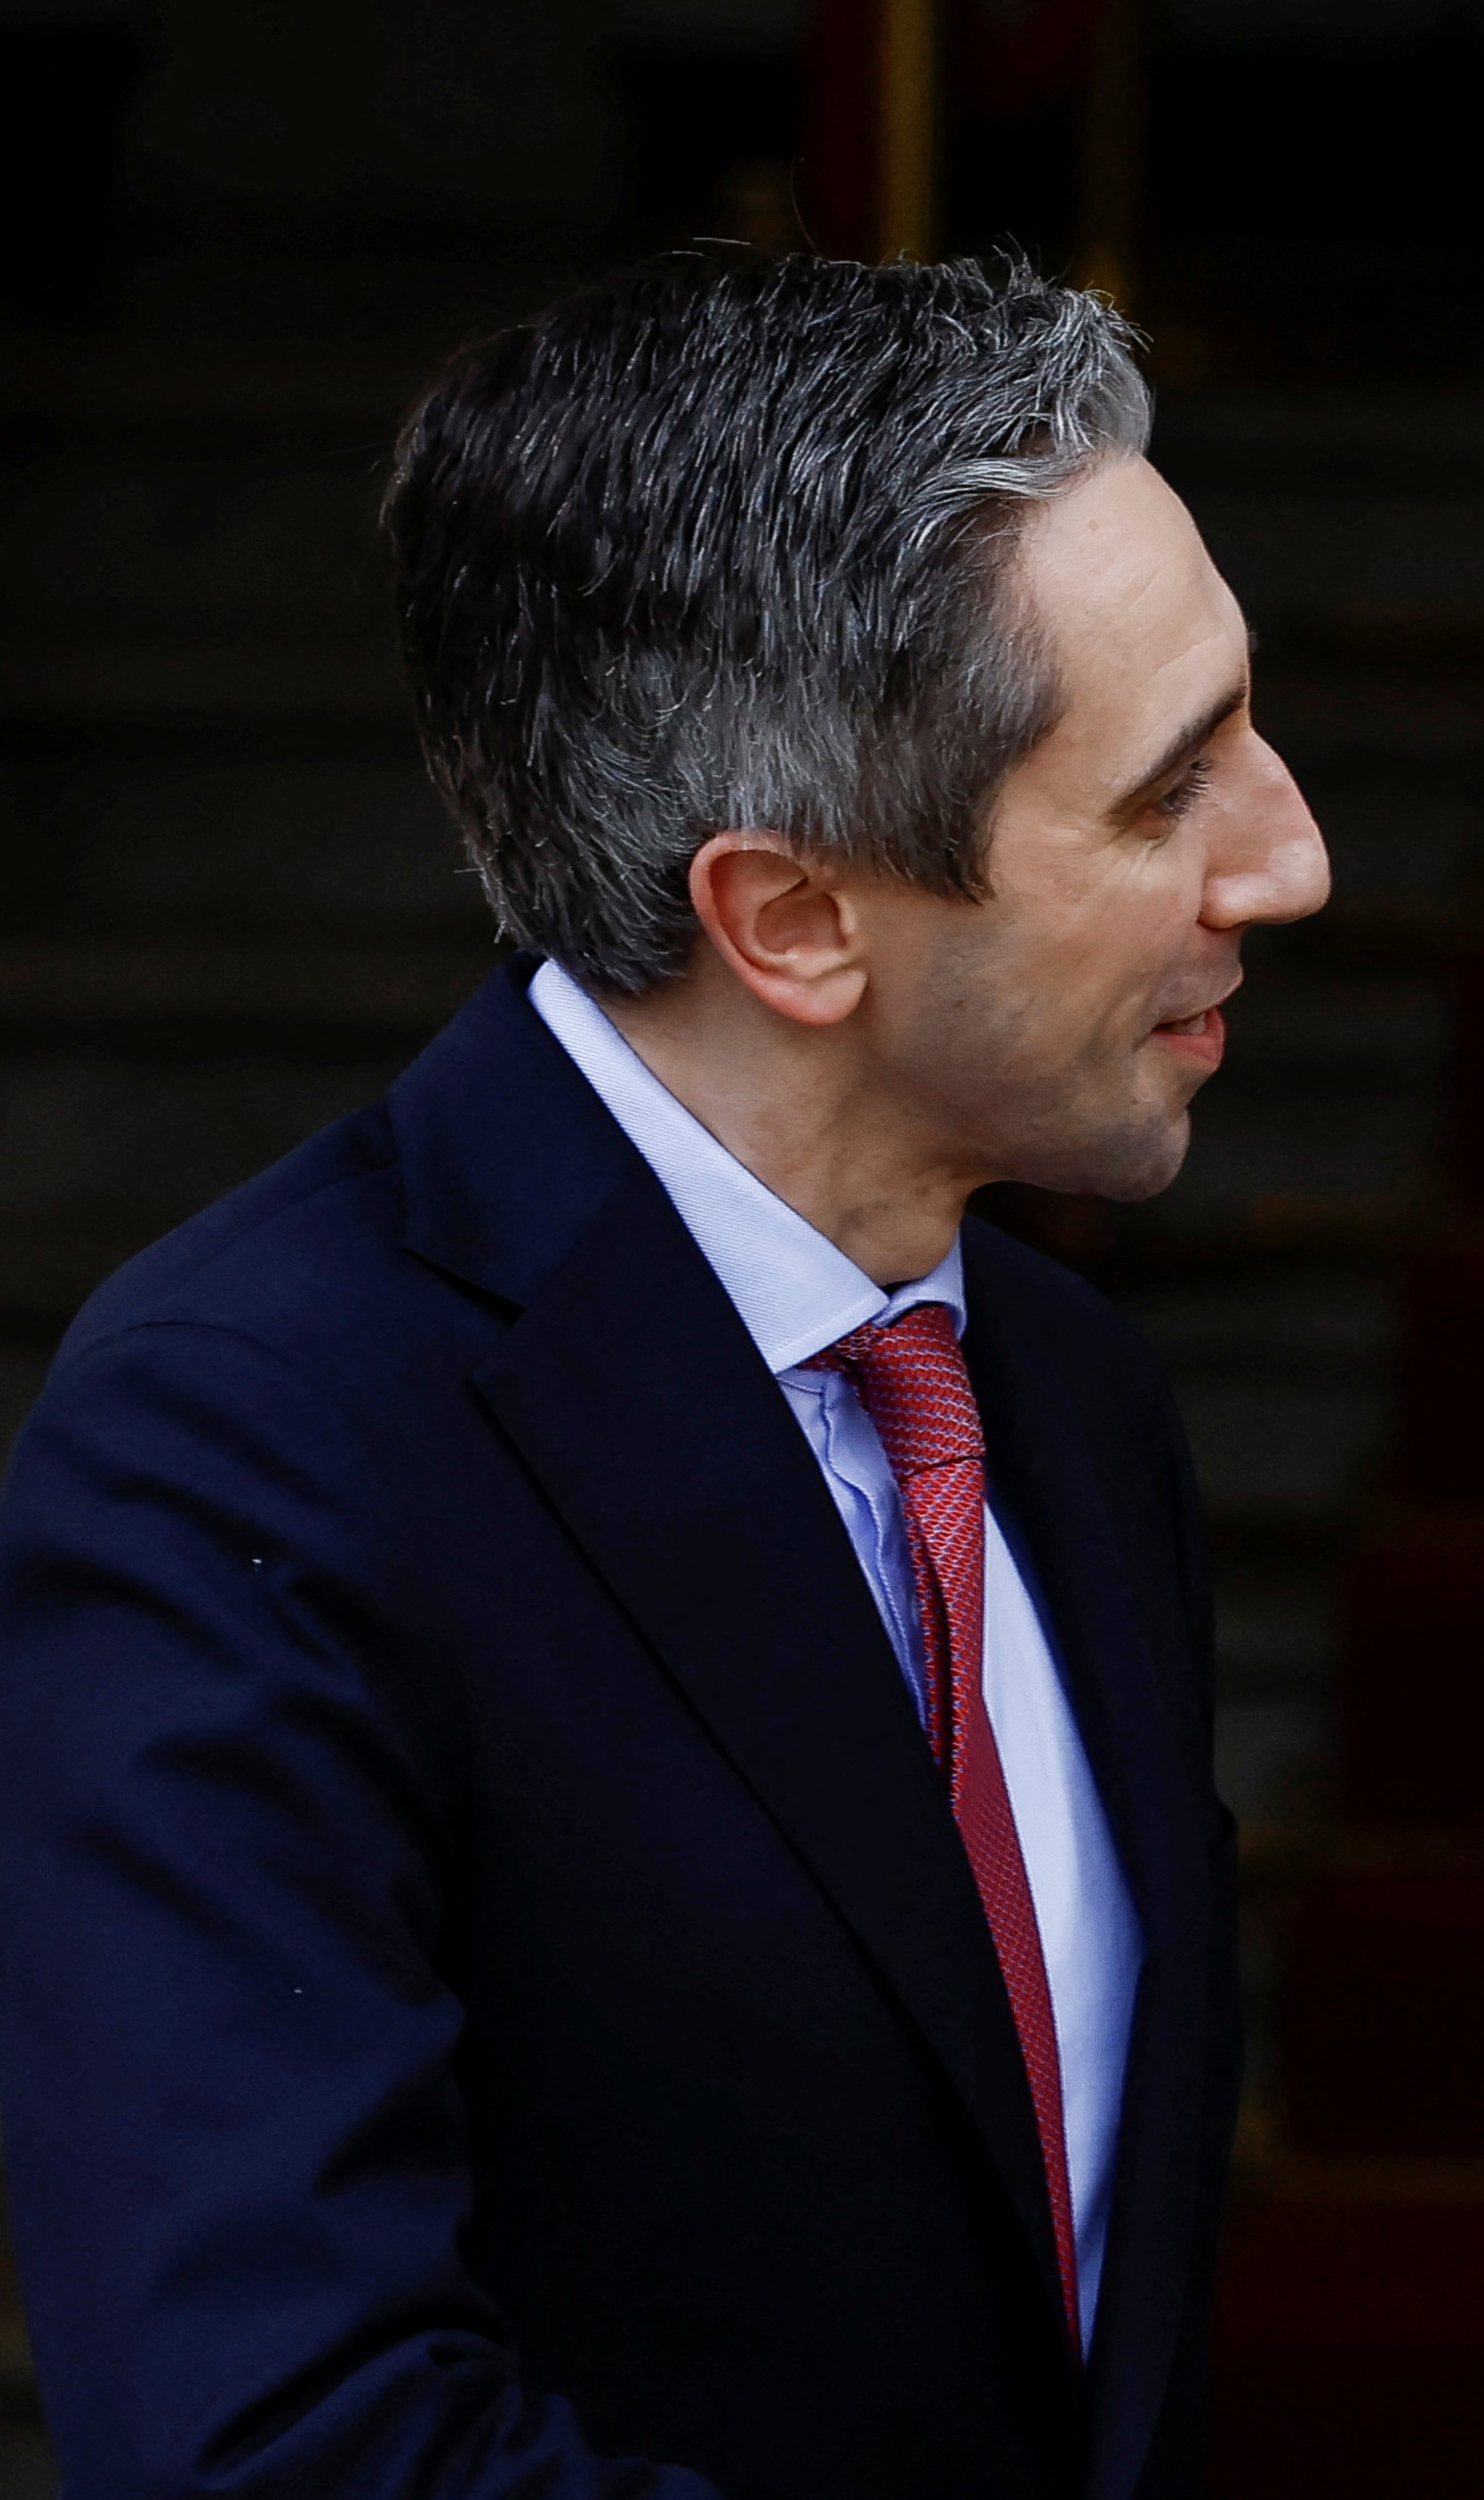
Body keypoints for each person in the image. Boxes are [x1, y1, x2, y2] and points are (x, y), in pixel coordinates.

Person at [0, 253, 1324, 2497]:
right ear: (788, 920)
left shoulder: (1066, 1398)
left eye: (1246, 724)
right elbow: (285, 2444)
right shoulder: (247, 1450)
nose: (1288, 857)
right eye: (1162, 792)